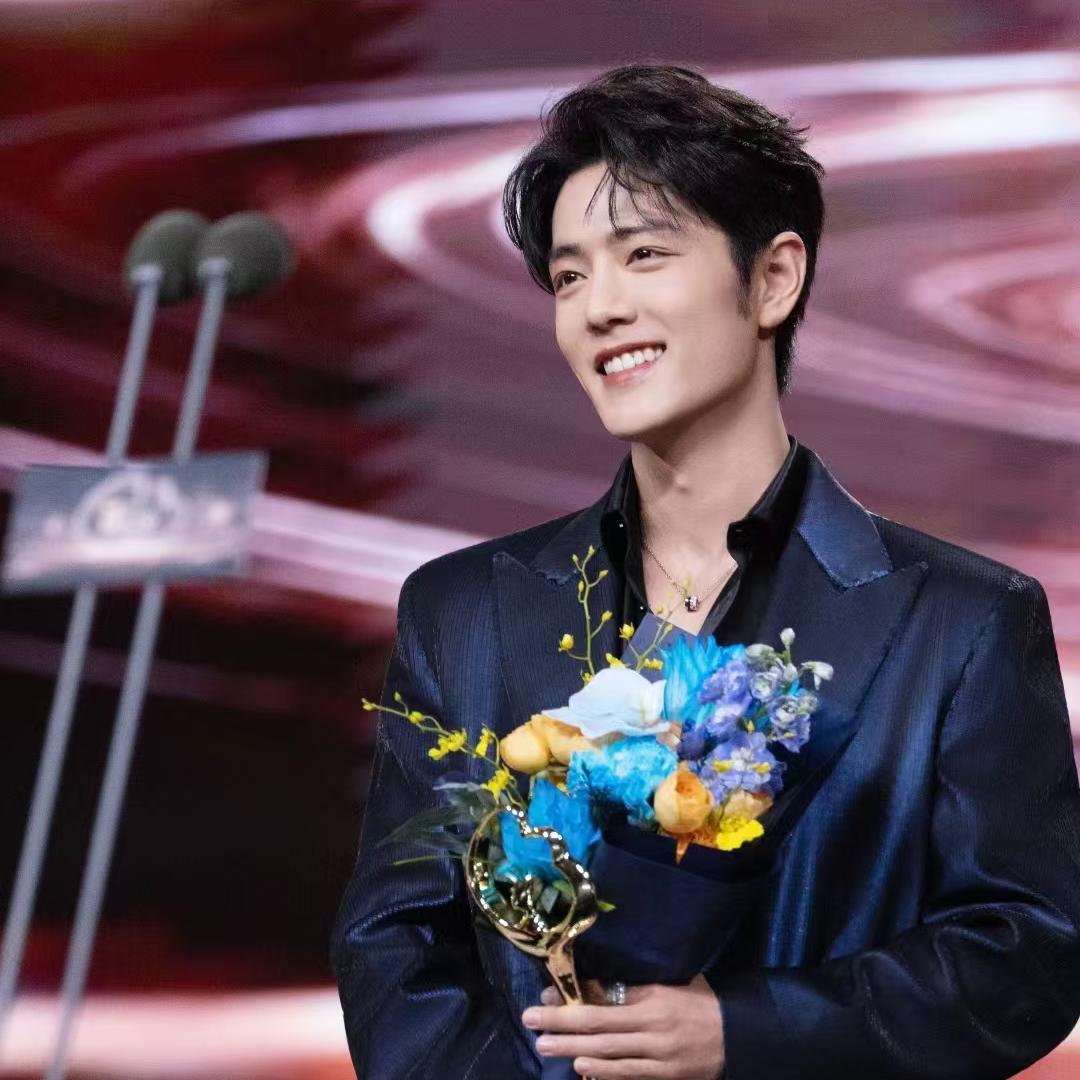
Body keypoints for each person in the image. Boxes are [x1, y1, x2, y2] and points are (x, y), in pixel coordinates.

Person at [331, 64, 1080, 1079]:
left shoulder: (962, 622)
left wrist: (744, 1032)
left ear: (773, 279)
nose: (599, 307)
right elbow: (395, 946)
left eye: (643, 254)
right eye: (569, 277)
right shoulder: (462, 610)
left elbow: (1026, 954)